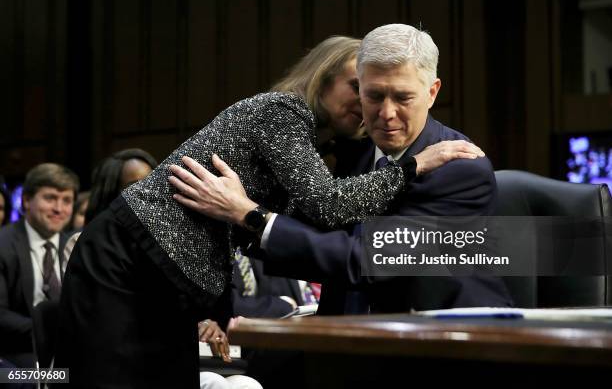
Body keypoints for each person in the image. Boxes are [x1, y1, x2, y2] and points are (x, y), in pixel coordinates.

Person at [56, 35, 483, 388]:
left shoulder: (326, 145)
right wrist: (412, 166)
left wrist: (245, 214)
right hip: (127, 260)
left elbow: (292, 224)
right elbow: (328, 205)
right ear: (323, 76)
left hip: (164, 279)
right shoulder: (282, 111)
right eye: (361, 88)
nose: (370, 106)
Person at [168, 24, 513, 316]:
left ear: (432, 92)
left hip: (444, 343)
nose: (387, 114)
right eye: (374, 96)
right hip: (349, 336)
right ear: (359, 89)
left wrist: (251, 215)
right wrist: (228, 208)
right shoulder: (353, 152)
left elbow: (365, 259)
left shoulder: (461, 167)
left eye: (403, 98)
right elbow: (311, 236)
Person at [0, 163, 78, 367]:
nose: (58, 209)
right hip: (17, 354)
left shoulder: (77, 245)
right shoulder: (3, 244)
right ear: (26, 200)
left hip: (73, 351)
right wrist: (51, 332)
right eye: (50, 198)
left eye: (67, 200)